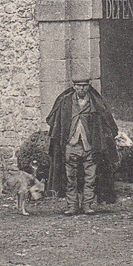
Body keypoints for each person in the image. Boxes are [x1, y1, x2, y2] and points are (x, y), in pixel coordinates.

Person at [46, 76, 118, 215]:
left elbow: (105, 122)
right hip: (70, 145)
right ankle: (72, 206)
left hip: (90, 146)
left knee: (90, 177)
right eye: (78, 86)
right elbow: (56, 122)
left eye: (84, 86)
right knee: (70, 178)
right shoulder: (65, 102)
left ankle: (87, 205)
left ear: (88, 87)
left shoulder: (95, 103)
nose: (81, 89)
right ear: (74, 87)